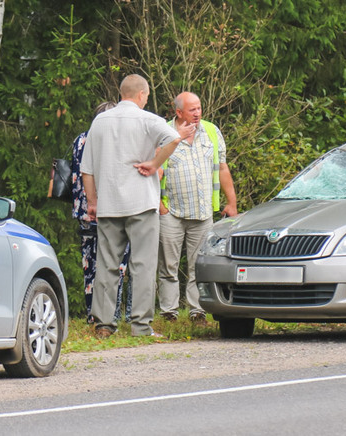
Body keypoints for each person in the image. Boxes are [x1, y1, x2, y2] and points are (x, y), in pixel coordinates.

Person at [80, 74, 186, 338]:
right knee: (143, 266)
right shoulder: (148, 119)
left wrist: (92, 202)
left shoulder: (100, 121)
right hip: (141, 203)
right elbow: (174, 138)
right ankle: (140, 326)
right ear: (141, 94)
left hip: (109, 204)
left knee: (106, 265)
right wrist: (154, 163)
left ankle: (104, 324)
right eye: (147, 96)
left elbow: (87, 168)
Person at [157, 91, 238, 324]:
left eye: (199, 108)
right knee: (168, 266)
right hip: (171, 211)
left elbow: (222, 168)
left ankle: (197, 311)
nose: (197, 113)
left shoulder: (211, 131)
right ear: (178, 112)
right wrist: (158, 205)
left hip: (203, 213)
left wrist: (231, 202)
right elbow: (153, 168)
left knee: (198, 265)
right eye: (192, 109)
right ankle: (169, 312)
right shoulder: (164, 132)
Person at [71, 102, 133, 324]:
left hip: (85, 210)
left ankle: (92, 313)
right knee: (115, 263)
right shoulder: (110, 142)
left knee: (90, 264)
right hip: (108, 208)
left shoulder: (81, 139)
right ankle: (110, 314)